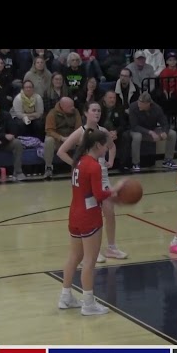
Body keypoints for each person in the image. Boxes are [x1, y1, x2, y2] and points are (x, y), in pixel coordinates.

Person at [57, 129, 127, 316]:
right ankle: (88, 303)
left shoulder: (79, 161)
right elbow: (99, 195)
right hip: (89, 216)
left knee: (74, 257)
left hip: (74, 214)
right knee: (89, 261)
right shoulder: (94, 166)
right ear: (97, 145)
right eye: (106, 145)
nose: (107, 149)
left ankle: (65, 297)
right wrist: (115, 190)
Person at [57, 101, 128, 262]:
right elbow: (61, 152)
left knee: (109, 212)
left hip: (101, 174)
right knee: (90, 213)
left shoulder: (103, 132)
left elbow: (112, 147)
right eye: (94, 110)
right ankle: (88, 250)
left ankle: (111, 248)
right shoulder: (79, 132)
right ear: (86, 113)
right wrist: (76, 165)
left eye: (99, 111)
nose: (97, 113)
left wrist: (110, 161)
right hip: (86, 176)